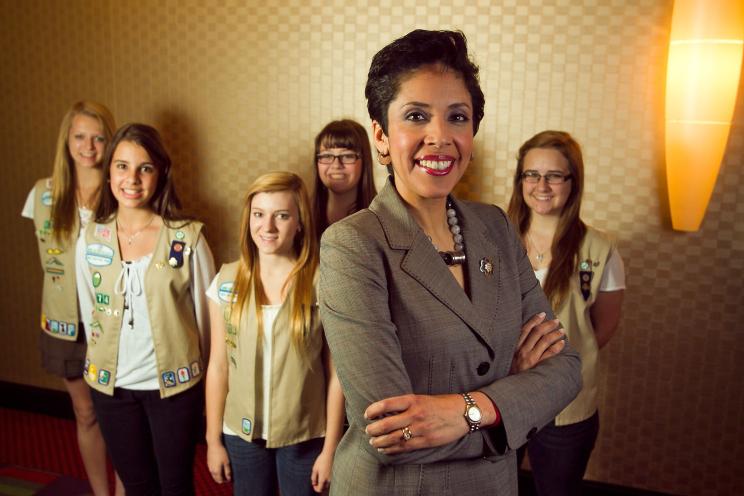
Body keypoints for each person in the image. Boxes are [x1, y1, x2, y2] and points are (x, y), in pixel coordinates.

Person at [318, 29, 582, 495]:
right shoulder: (353, 245)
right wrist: (513, 389)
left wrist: (468, 409)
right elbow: (394, 434)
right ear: (381, 136)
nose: (439, 137)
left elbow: (566, 371)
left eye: (457, 117)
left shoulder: (496, 227)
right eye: (416, 116)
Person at [75, 123, 215, 495]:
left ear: (161, 173)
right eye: (122, 166)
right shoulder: (91, 237)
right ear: (108, 173)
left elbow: (206, 323)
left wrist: (197, 378)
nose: (132, 178)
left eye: (145, 168)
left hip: (173, 388)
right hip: (112, 388)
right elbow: (90, 312)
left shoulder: (187, 237)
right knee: (137, 486)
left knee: (174, 486)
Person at [205, 171, 344, 495]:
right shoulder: (226, 281)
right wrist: (213, 439)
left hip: (305, 437)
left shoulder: (322, 284)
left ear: (299, 222)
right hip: (241, 436)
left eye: (281, 216)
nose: (267, 227)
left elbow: (336, 374)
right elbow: (218, 367)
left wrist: (330, 449)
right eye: (259, 214)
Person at [508, 130, 625, 496]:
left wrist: (557, 363)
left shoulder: (600, 249)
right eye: (531, 174)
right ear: (520, 181)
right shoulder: (494, 238)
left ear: (572, 182)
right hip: (501, 394)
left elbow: (601, 329)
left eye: (554, 175)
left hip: (567, 405)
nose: (541, 185)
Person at [22, 100, 124, 496]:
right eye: (80, 136)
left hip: (113, 323)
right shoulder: (43, 195)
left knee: (119, 418)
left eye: (99, 138)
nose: (89, 147)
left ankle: (125, 489)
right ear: (67, 140)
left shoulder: (122, 191)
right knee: (86, 414)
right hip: (66, 323)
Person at [312, 119, 377, 239]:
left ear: (365, 161)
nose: (336, 165)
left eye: (347, 156)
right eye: (327, 156)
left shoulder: (381, 221)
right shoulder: (304, 218)